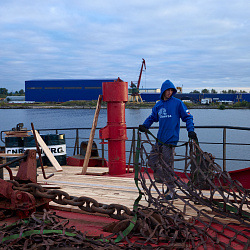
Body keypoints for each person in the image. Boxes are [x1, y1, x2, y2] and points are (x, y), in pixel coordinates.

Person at [139, 80, 197, 200]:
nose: (169, 92)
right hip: (159, 140)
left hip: (170, 141)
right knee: (151, 162)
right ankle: (167, 180)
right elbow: (152, 117)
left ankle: (172, 192)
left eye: (171, 90)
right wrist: (145, 125)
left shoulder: (178, 103)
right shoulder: (158, 105)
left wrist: (190, 130)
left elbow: (188, 117)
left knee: (167, 166)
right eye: (167, 90)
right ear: (163, 91)